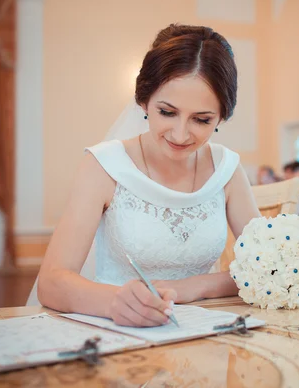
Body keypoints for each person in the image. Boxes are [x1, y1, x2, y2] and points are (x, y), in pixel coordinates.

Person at [36, 24, 261, 328]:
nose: (181, 134)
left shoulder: (227, 170)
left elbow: (267, 267)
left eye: (202, 119)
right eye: (167, 112)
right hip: (121, 332)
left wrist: (195, 286)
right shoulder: (104, 165)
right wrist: (114, 302)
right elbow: (51, 283)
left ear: (222, 116)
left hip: (206, 333)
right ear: (144, 101)